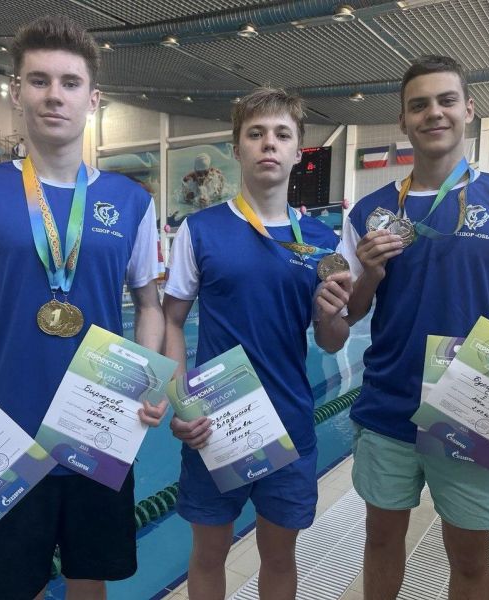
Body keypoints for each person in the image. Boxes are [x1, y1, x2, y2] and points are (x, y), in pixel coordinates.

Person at [0, 15, 166, 600]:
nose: (54, 95)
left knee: (90, 577)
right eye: (39, 80)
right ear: (15, 91)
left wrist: (146, 382)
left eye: (70, 83)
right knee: (9, 588)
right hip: (3, 431)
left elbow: (149, 305)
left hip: (99, 425)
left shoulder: (130, 201)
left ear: (92, 99)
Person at [327, 55, 489, 600]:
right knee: (380, 541)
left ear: (468, 109)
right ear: (403, 121)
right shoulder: (368, 211)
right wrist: (369, 270)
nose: (433, 113)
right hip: (387, 405)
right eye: (419, 105)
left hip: (473, 406)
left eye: (445, 101)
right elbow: (349, 315)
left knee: (469, 557)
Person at [163, 87, 352, 600]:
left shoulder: (322, 242)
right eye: (256, 134)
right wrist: (181, 405)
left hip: (290, 421)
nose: (269, 143)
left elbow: (333, 341)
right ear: (237, 148)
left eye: (282, 134)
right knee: (209, 553)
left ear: (297, 151)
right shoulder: (200, 230)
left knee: (279, 556)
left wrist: (328, 314)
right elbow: (171, 321)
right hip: (216, 424)